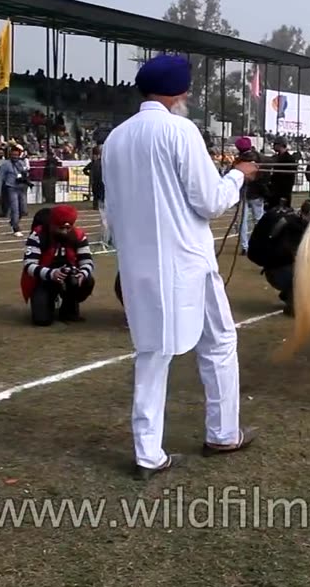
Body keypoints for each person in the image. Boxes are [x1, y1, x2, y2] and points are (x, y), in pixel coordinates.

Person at [102, 53, 261, 479]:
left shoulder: (115, 138)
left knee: (189, 344)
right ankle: (159, 450)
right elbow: (210, 201)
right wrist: (239, 176)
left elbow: (110, 213)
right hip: (186, 259)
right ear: (178, 92)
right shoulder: (180, 130)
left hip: (142, 262)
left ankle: (216, 434)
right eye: (187, 88)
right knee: (174, 350)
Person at [20, 205, 96, 325]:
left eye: (68, 228)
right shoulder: (38, 235)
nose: (65, 231)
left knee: (87, 280)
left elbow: (87, 261)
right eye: (61, 228)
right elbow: (29, 265)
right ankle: (48, 301)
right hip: (43, 278)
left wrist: (82, 273)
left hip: (69, 276)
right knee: (42, 320)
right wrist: (52, 274)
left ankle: (69, 305)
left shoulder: (78, 235)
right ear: (52, 224)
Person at [233, 137, 267, 254]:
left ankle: (245, 246)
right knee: (259, 220)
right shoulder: (258, 158)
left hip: (243, 193)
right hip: (257, 193)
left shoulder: (238, 161)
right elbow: (263, 176)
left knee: (243, 221)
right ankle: (260, 244)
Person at [267, 137, 297, 208]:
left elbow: (290, 176)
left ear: (280, 145)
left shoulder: (289, 159)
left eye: (275, 144)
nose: (273, 146)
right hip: (275, 190)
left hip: (283, 190)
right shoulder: (276, 157)